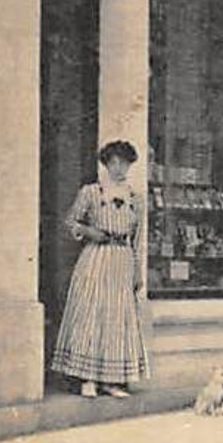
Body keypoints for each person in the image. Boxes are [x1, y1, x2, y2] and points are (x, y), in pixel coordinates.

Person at [50, 140, 150, 398]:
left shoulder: (135, 199)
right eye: (114, 162)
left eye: (125, 163)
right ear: (106, 164)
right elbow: (70, 220)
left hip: (122, 260)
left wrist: (137, 271)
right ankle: (88, 378)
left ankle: (111, 380)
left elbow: (138, 238)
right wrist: (88, 231)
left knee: (117, 320)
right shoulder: (91, 192)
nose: (119, 168)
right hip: (95, 259)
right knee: (92, 315)